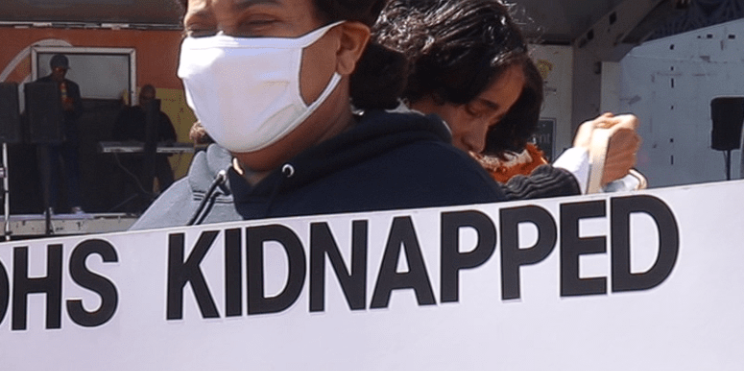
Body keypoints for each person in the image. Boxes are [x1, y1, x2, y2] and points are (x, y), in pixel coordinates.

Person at [133, 0, 513, 229]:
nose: (220, 52)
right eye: (200, 31)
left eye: (258, 23)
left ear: (346, 45)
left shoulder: (443, 195)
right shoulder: (164, 222)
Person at [372, 0, 641, 198]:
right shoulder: (368, 153)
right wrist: (580, 171)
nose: (477, 141)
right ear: (421, 74)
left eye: (493, 122)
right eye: (475, 110)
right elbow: (483, 216)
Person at [36, 53, 84, 213]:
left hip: (68, 135)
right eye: (58, 69)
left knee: (72, 172)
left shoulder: (72, 87)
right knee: (50, 172)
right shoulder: (41, 85)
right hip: (49, 136)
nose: (61, 73)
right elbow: (36, 109)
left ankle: (75, 205)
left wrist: (72, 108)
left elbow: (80, 111)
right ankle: (49, 206)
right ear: (52, 69)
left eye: (64, 70)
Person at [113, 84, 178, 194]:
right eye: (144, 98)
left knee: (167, 178)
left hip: (156, 158)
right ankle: (133, 206)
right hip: (133, 157)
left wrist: (167, 143)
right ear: (139, 98)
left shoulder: (161, 117)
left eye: (150, 99)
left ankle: (168, 203)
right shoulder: (128, 114)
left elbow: (171, 137)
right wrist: (128, 142)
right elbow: (116, 134)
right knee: (130, 178)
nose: (146, 102)